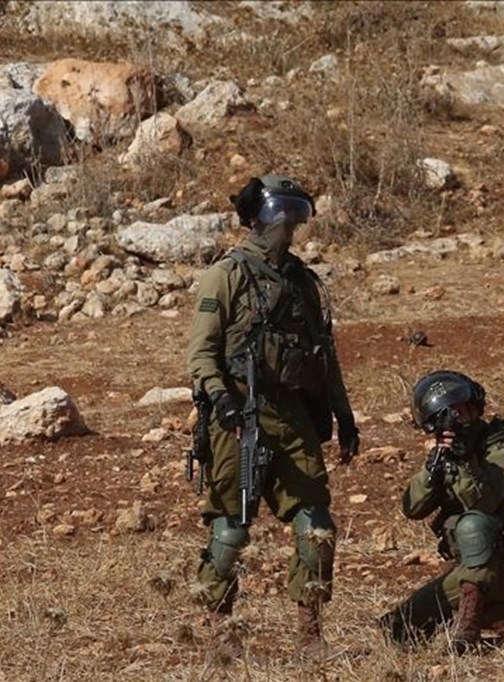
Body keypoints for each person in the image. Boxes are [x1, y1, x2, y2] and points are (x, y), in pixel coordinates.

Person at [187, 174, 360, 659]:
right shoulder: (227, 275)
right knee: (231, 527)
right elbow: (201, 354)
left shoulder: (304, 282)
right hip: (236, 415)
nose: (286, 224)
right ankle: (219, 633)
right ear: (254, 218)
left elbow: (325, 356)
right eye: (278, 213)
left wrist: (344, 417)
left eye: (293, 214)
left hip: (291, 415)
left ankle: (310, 634)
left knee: (316, 522)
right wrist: (222, 400)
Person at [379, 370, 504, 653]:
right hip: (476, 568)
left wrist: (464, 460)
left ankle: (468, 630)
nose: (455, 420)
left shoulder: (501, 448)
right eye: (444, 416)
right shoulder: (447, 455)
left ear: (474, 408)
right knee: (399, 626)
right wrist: (434, 466)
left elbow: (481, 503)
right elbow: (412, 508)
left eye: (459, 411)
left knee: (472, 524)